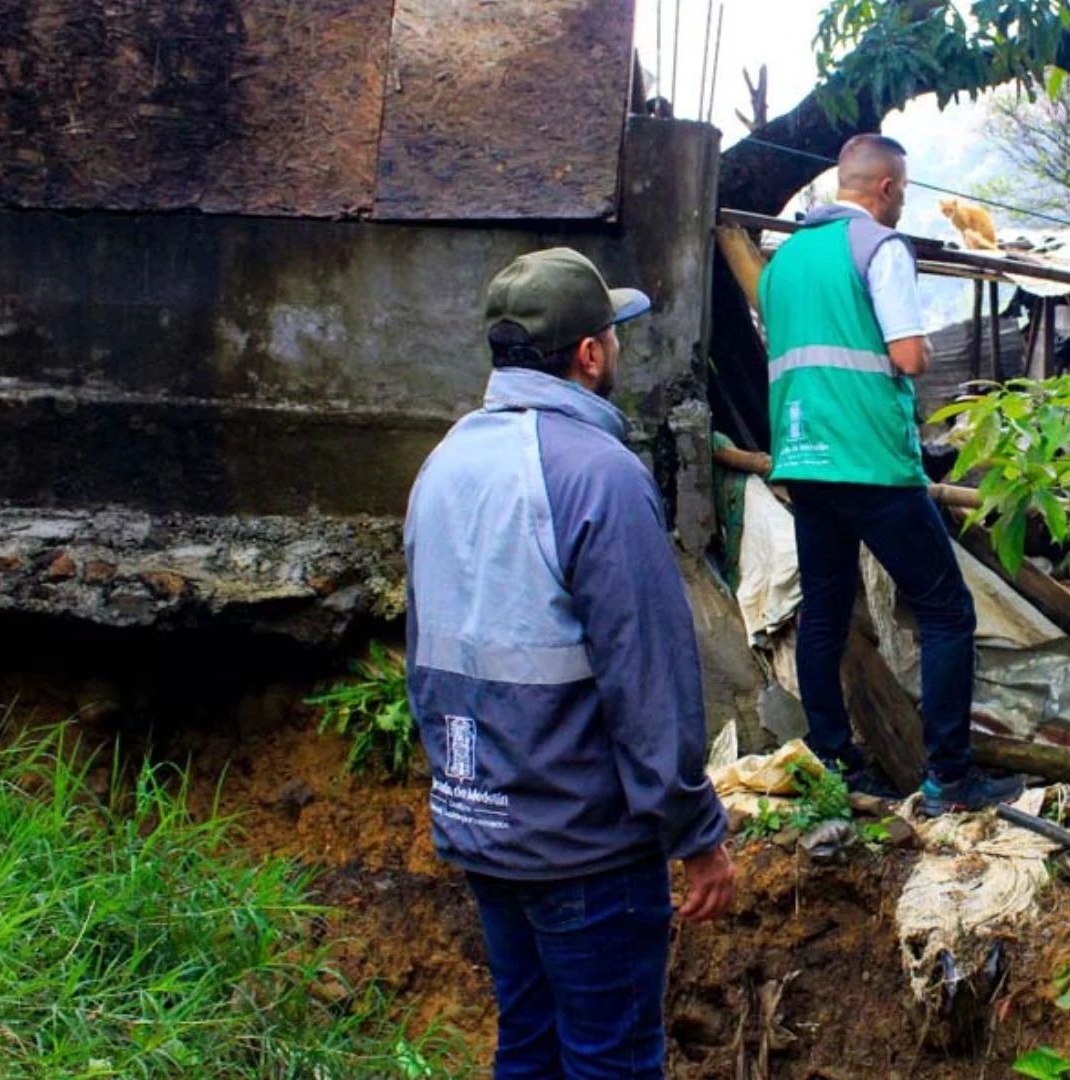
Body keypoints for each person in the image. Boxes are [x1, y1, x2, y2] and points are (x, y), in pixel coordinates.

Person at [404, 247, 735, 1079]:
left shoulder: (443, 466)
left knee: (529, 1047)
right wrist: (695, 830)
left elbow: (425, 660)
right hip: (585, 845)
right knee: (611, 1062)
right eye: (612, 336)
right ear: (590, 354)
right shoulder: (600, 476)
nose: (617, 350)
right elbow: (648, 682)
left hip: (484, 828)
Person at [757, 133, 1023, 817]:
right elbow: (906, 356)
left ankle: (835, 765)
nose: (902, 200)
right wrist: (923, 346)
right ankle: (949, 781)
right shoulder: (879, 248)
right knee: (946, 611)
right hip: (871, 461)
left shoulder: (781, 263)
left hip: (803, 462)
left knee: (822, 613)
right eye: (901, 189)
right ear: (885, 188)